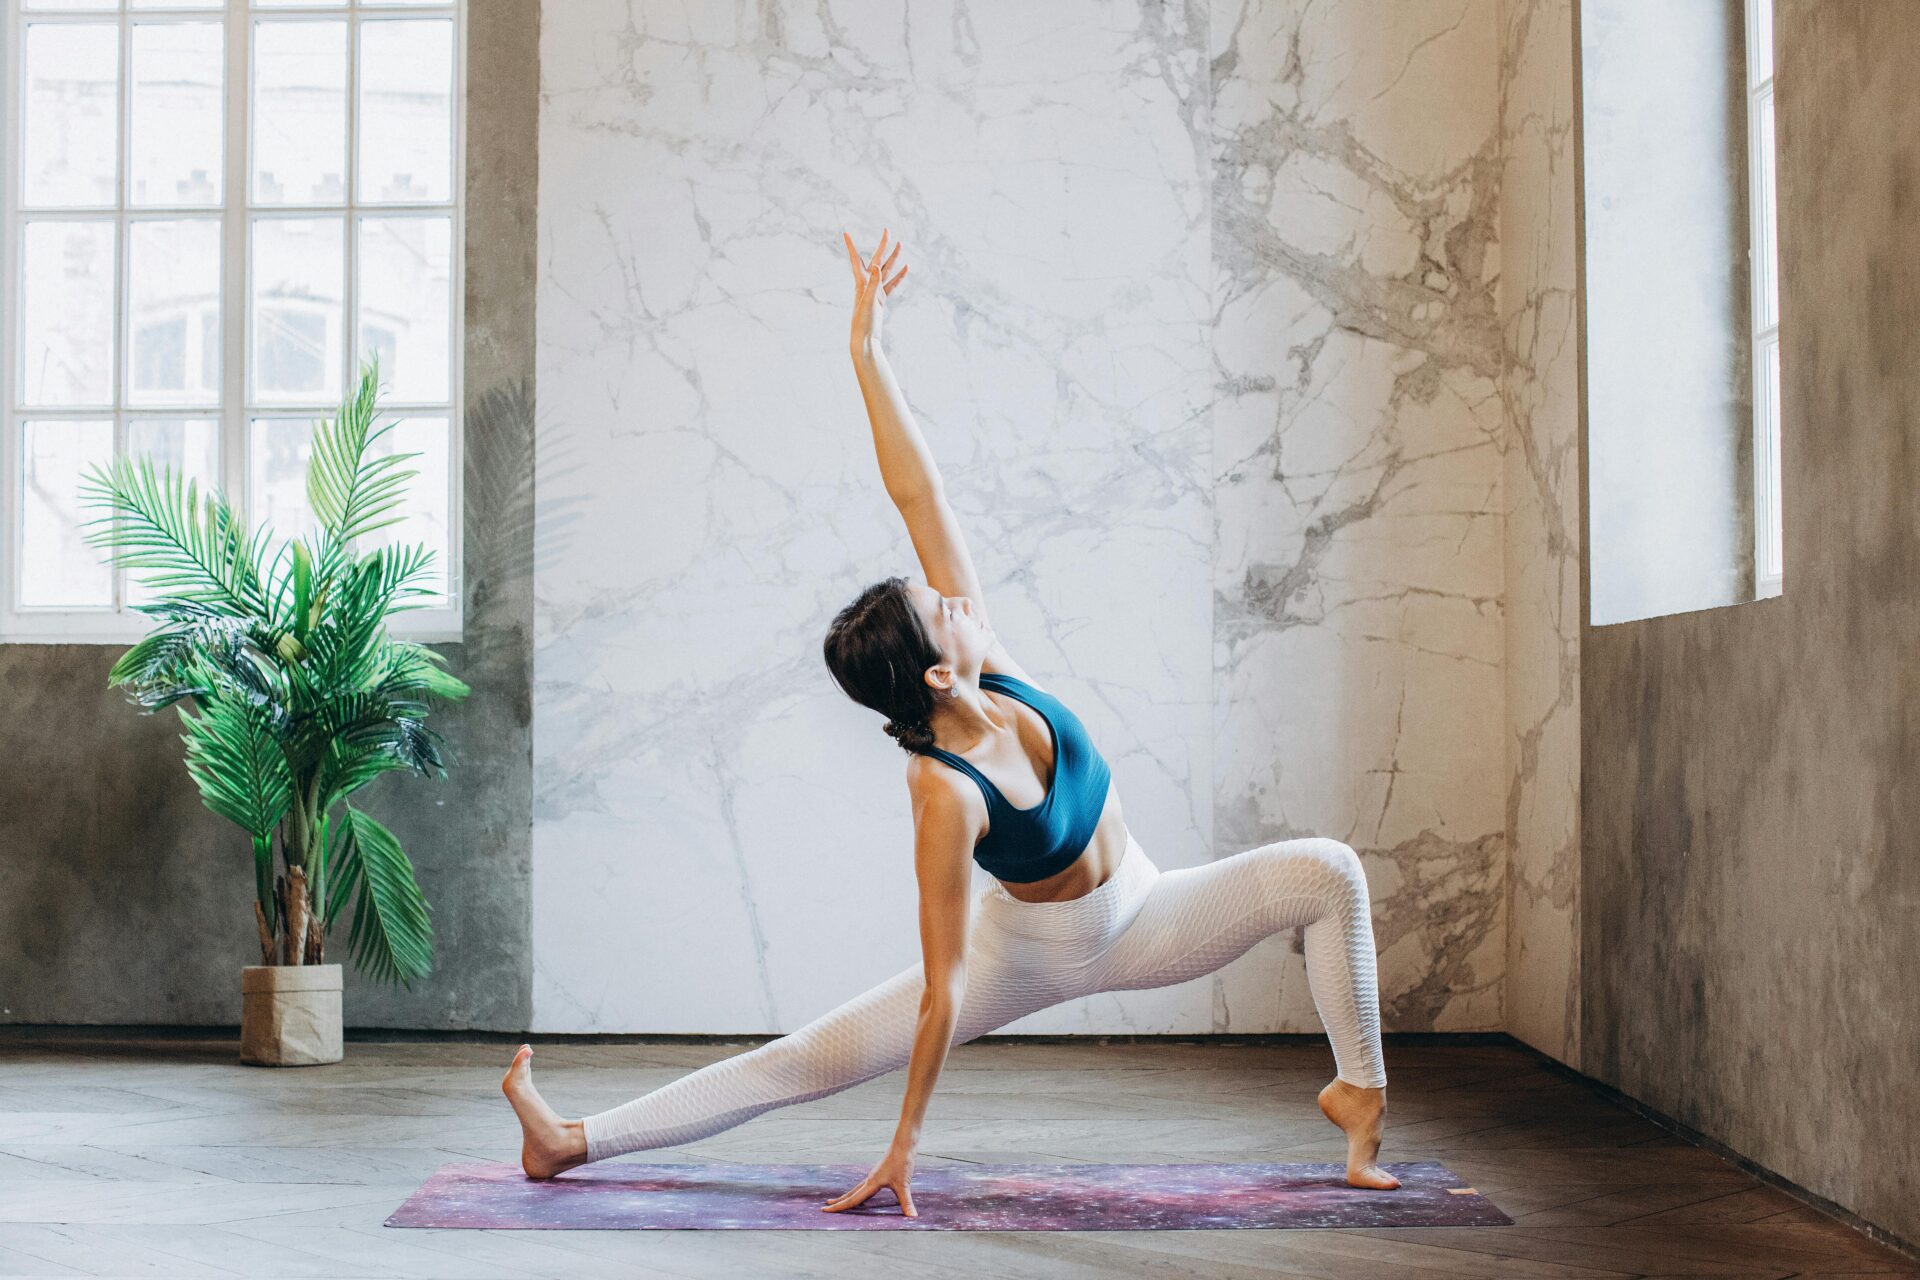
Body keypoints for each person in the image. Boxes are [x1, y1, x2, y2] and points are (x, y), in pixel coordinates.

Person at [502, 228, 1398, 1215]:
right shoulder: (942, 790)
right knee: (803, 1058)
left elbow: (918, 491)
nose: (961, 597)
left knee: (1328, 872)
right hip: (1029, 953)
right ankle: (569, 1139)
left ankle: (1358, 1092)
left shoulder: (993, 667)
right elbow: (939, 989)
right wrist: (903, 1141)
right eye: (944, 609)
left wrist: (868, 353)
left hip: (1146, 912)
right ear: (935, 666)